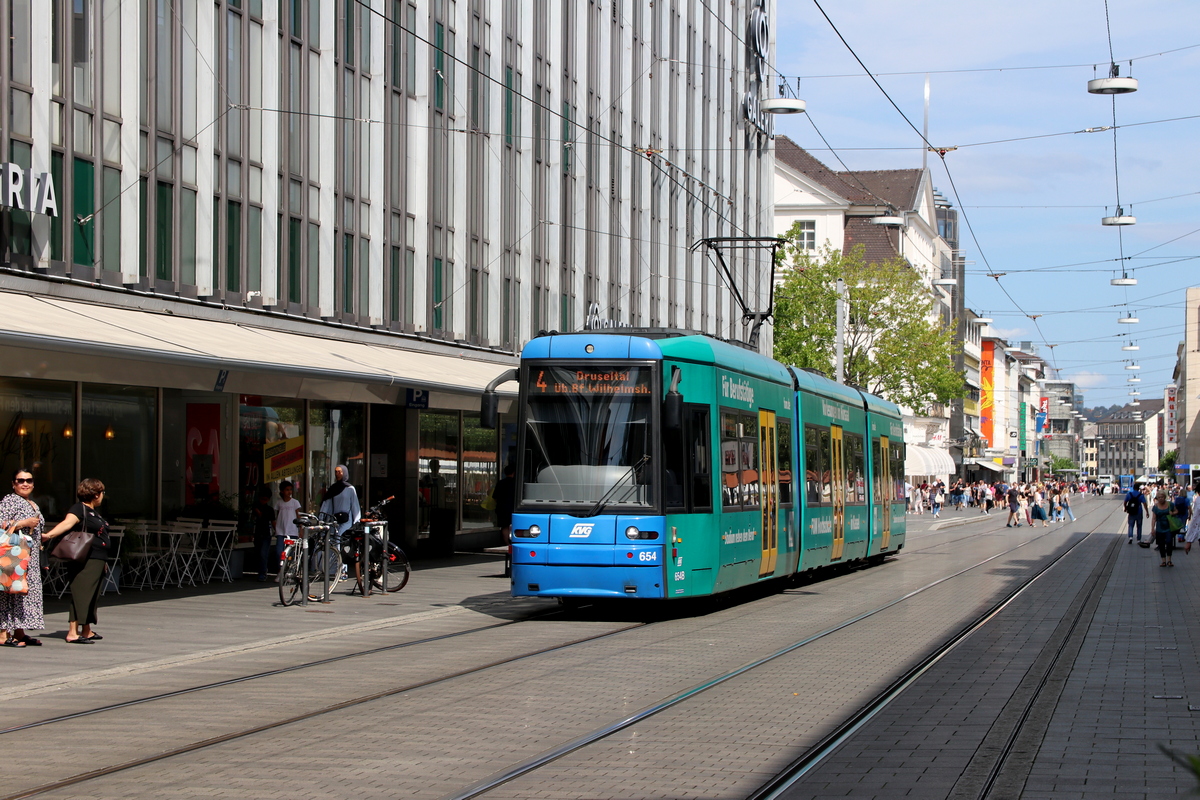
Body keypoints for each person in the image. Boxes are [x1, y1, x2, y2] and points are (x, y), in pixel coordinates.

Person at [41, 479, 111, 644]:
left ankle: (86, 630)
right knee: (82, 593)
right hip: (85, 558)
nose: (103, 496)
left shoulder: (93, 511)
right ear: (95, 494)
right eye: (102, 493)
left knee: (92, 594)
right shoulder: (79, 508)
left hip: (98, 558)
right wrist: (48, 535)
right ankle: (73, 632)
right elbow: (67, 523)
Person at [0, 469, 46, 647]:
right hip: (13, 555)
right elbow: (1, 523)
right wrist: (23, 523)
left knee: (22, 591)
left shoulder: (33, 503)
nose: (25, 483)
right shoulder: (9, 500)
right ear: (13, 483)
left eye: (29, 480)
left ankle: (20, 631)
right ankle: (3, 634)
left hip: (29, 557)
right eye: (20, 480)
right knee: (9, 591)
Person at [320, 465, 360, 555]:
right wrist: (321, 517)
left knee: (340, 542)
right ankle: (334, 566)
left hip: (346, 521)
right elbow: (327, 503)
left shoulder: (350, 489)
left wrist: (356, 521)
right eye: (336, 472)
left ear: (344, 473)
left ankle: (342, 567)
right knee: (332, 543)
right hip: (334, 520)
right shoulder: (333, 488)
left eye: (340, 472)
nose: (337, 474)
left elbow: (355, 505)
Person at [272, 481, 301, 580]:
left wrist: (300, 528)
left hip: (292, 531)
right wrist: (275, 527)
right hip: (281, 531)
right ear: (282, 491)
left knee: (291, 553)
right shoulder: (279, 503)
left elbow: (298, 515)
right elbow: (277, 515)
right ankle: (280, 571)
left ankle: (289, 571)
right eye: (287, 490)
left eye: (290, 490)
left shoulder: (295, 502)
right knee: (279, 552)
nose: (289, 492)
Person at [251, 487, 277, 582]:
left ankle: (262, 573)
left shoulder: (269, 509)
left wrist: (276, 531)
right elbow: (252, 520)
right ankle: (261, 571)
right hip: (257, 533)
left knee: (263, 553)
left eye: (265, 500)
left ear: (268, 500)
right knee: (258, 553)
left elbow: (273, 521)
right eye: (262, 499)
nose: (263, 501)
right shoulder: (255, 507)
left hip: (266, 533)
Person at [1150, 489, 1176, 567]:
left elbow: (1176, 511)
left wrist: (1172, 513)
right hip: (1159, 527)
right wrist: (1152, 528)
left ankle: (1169, 560)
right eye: (1159, 497)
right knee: (1161, 544)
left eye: (1162, 497)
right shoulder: (1155, 506)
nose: (1161, 499)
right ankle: (1163, 561)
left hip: (1168, 526)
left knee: (1169, 542)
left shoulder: (1170, 504)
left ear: (1165, 497)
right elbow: (1154, 518)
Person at [492, 464, 517, 543]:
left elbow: (495, 497)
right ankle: (514, 542)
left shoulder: (500, 483)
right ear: (514, 473)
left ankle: (506, 543)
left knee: (504, 527)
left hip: (502, 509)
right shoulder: (516, 484)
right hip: (514, 508)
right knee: (515, 525)